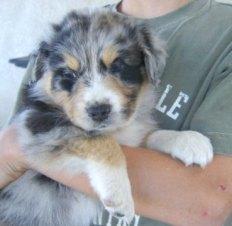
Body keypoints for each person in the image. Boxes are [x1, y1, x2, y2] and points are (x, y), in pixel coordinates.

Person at [1, 0, 232, 225]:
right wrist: (104, 157)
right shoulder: (64, 35)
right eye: (70, 76)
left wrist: (162, 139)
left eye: (119, 67)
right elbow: (13, 153)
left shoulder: (222, 33)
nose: (96, 98)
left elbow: (209, 204)